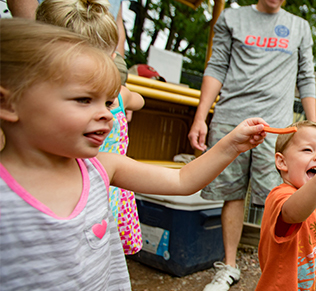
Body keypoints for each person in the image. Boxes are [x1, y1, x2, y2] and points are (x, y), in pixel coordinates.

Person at [0, 18, 269, 289]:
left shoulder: (102, 168)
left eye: (107, 102)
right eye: (83, 99)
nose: (107, 114)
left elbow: (182, 181)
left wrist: (232, 145)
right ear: (8, 103)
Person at [187, 1, 316, 289]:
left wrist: (313, 129)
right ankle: (229, 267)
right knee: (232, 194)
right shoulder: (231, 18)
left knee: (279, 199)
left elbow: (306, 77)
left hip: (278, 129)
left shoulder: (299, 27)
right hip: (231, 121)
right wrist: (201, 118)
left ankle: (274, 270)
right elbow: (216, 66)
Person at [36, 0, 146, 254]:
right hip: (93, 191)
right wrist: (124, 98)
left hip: (104, 186)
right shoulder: (120, 95)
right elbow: (138, 100)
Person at [256, 120, 316, 291]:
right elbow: (292, 215)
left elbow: (299, 238)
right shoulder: (281, 196)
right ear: (282, 162)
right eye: (308, 150)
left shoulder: (309, 200)